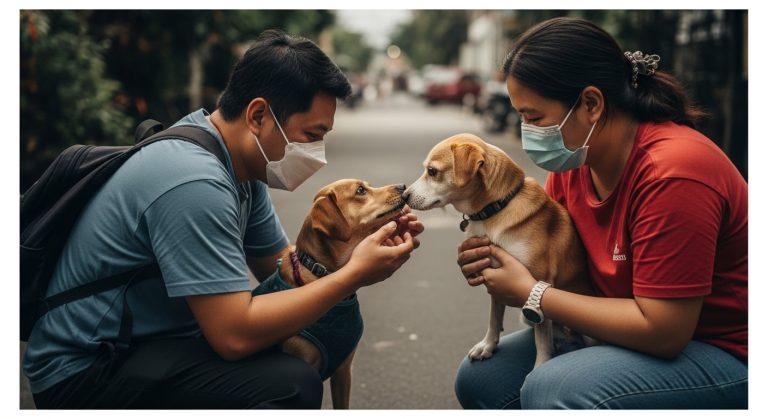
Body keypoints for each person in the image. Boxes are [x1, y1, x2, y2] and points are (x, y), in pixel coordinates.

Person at [24, 29, 424, 409]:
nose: (317, 150)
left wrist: (357, 241)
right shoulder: (193, 181)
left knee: (293, 343)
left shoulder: (237, 165)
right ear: (258, 116)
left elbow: (287, 269)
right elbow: (234, 336)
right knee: (290, 383)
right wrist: (352, 276)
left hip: (155, 344)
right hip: (84, 373)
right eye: (311, 134)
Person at [454, 17, 747, 409]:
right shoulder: (575, 166)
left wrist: (531, 292)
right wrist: (497, 258)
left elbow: (665, 332)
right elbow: (553, 265)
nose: (526, 131)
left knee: (556, 388)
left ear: (591, 104)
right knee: (482, 379)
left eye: (534, 117)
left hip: (723, 350)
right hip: (623, 333)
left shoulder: (675, 172)